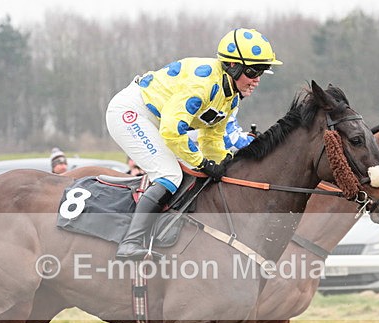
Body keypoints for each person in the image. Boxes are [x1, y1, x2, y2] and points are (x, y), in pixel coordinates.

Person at [106, 27, 282, 260]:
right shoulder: (204, 84)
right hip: (132, 113)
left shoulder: (229, 97)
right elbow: (172, 131)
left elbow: (211, 139)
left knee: (197, 174)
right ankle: (130, 242)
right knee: (169, 175)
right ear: (233, 66)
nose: (257, 80)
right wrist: (202, 162)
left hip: (157, 121)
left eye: (262, 72)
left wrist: (222, 165)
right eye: (253, 71)